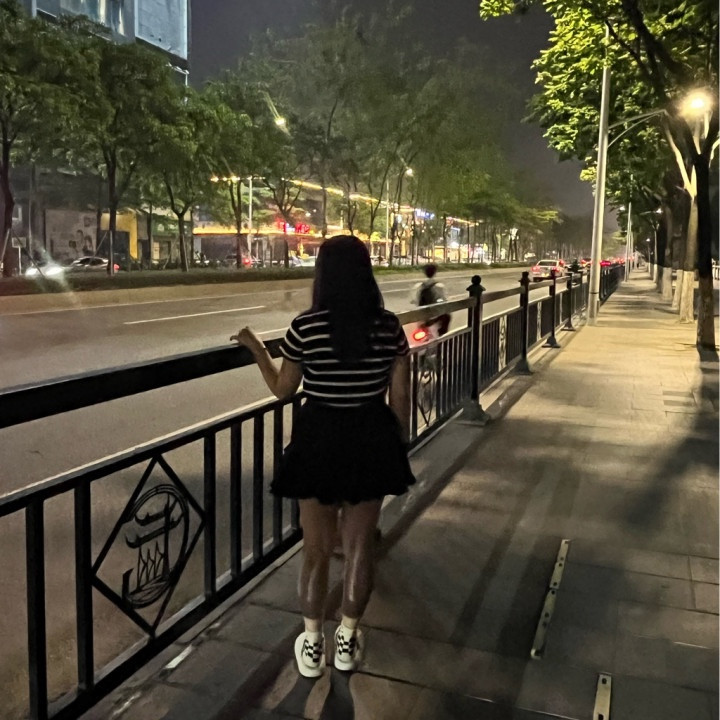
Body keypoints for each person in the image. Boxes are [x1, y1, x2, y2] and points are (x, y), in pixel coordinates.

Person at [231, 235, 415, 677]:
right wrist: (395, 445)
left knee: (315, 551)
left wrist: (258, 349)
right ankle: (347, 639)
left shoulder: (305, 327)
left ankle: (312, 644)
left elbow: (283, 389)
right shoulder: (388, 327)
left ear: (324, 276)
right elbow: (401, 399)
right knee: (359, 549)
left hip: (319, 439)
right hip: (370, 436)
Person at [413, 263, 450, 335]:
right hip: (435, 319)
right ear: (435, 272)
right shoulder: (439, 287)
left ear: (424, 272)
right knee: (447, 317)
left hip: (421, 317)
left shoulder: (418, 286)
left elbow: (413, 301)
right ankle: (443, 337)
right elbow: (443, 302)